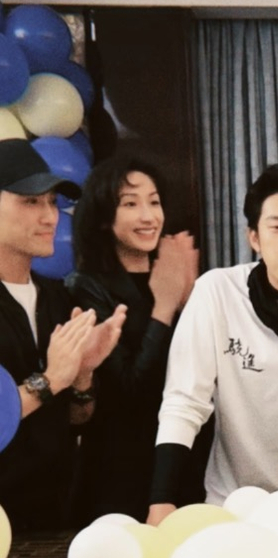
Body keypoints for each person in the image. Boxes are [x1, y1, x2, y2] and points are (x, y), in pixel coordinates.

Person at [0, 138, 125, 558]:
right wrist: (49, 378)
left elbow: (76, 420)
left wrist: (83, 380)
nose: (48, 216)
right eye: (30, 202)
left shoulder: (57, 301)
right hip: (2, 531)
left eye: (52, 202)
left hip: (55, 528)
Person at [148, 163, 278, 521]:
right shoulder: (217, 292)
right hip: (235, 504)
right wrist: (161, 502)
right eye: (277, 227)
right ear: (254, 237)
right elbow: (184, 402)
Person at [67, 155, 198, 523]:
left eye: (154, 202)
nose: (148, 216)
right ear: (103, 217)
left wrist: (189, 300)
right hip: (120, 471)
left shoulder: (172, 273)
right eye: (130, 204)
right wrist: (165, 305)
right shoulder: (85, 286)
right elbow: (128, 391)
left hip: (182, 459)